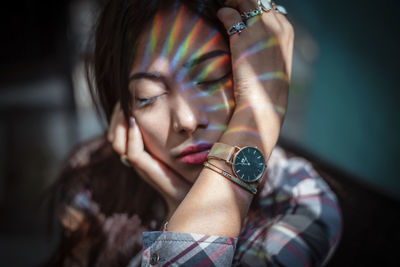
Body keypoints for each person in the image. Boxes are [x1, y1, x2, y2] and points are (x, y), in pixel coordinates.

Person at [46, 0, 342, 266]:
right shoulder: (93, 180)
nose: (186, 120)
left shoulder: (301, 202)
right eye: (148, 96)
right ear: (123, 111)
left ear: (253, 77)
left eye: (211, 77)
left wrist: (259, 113)